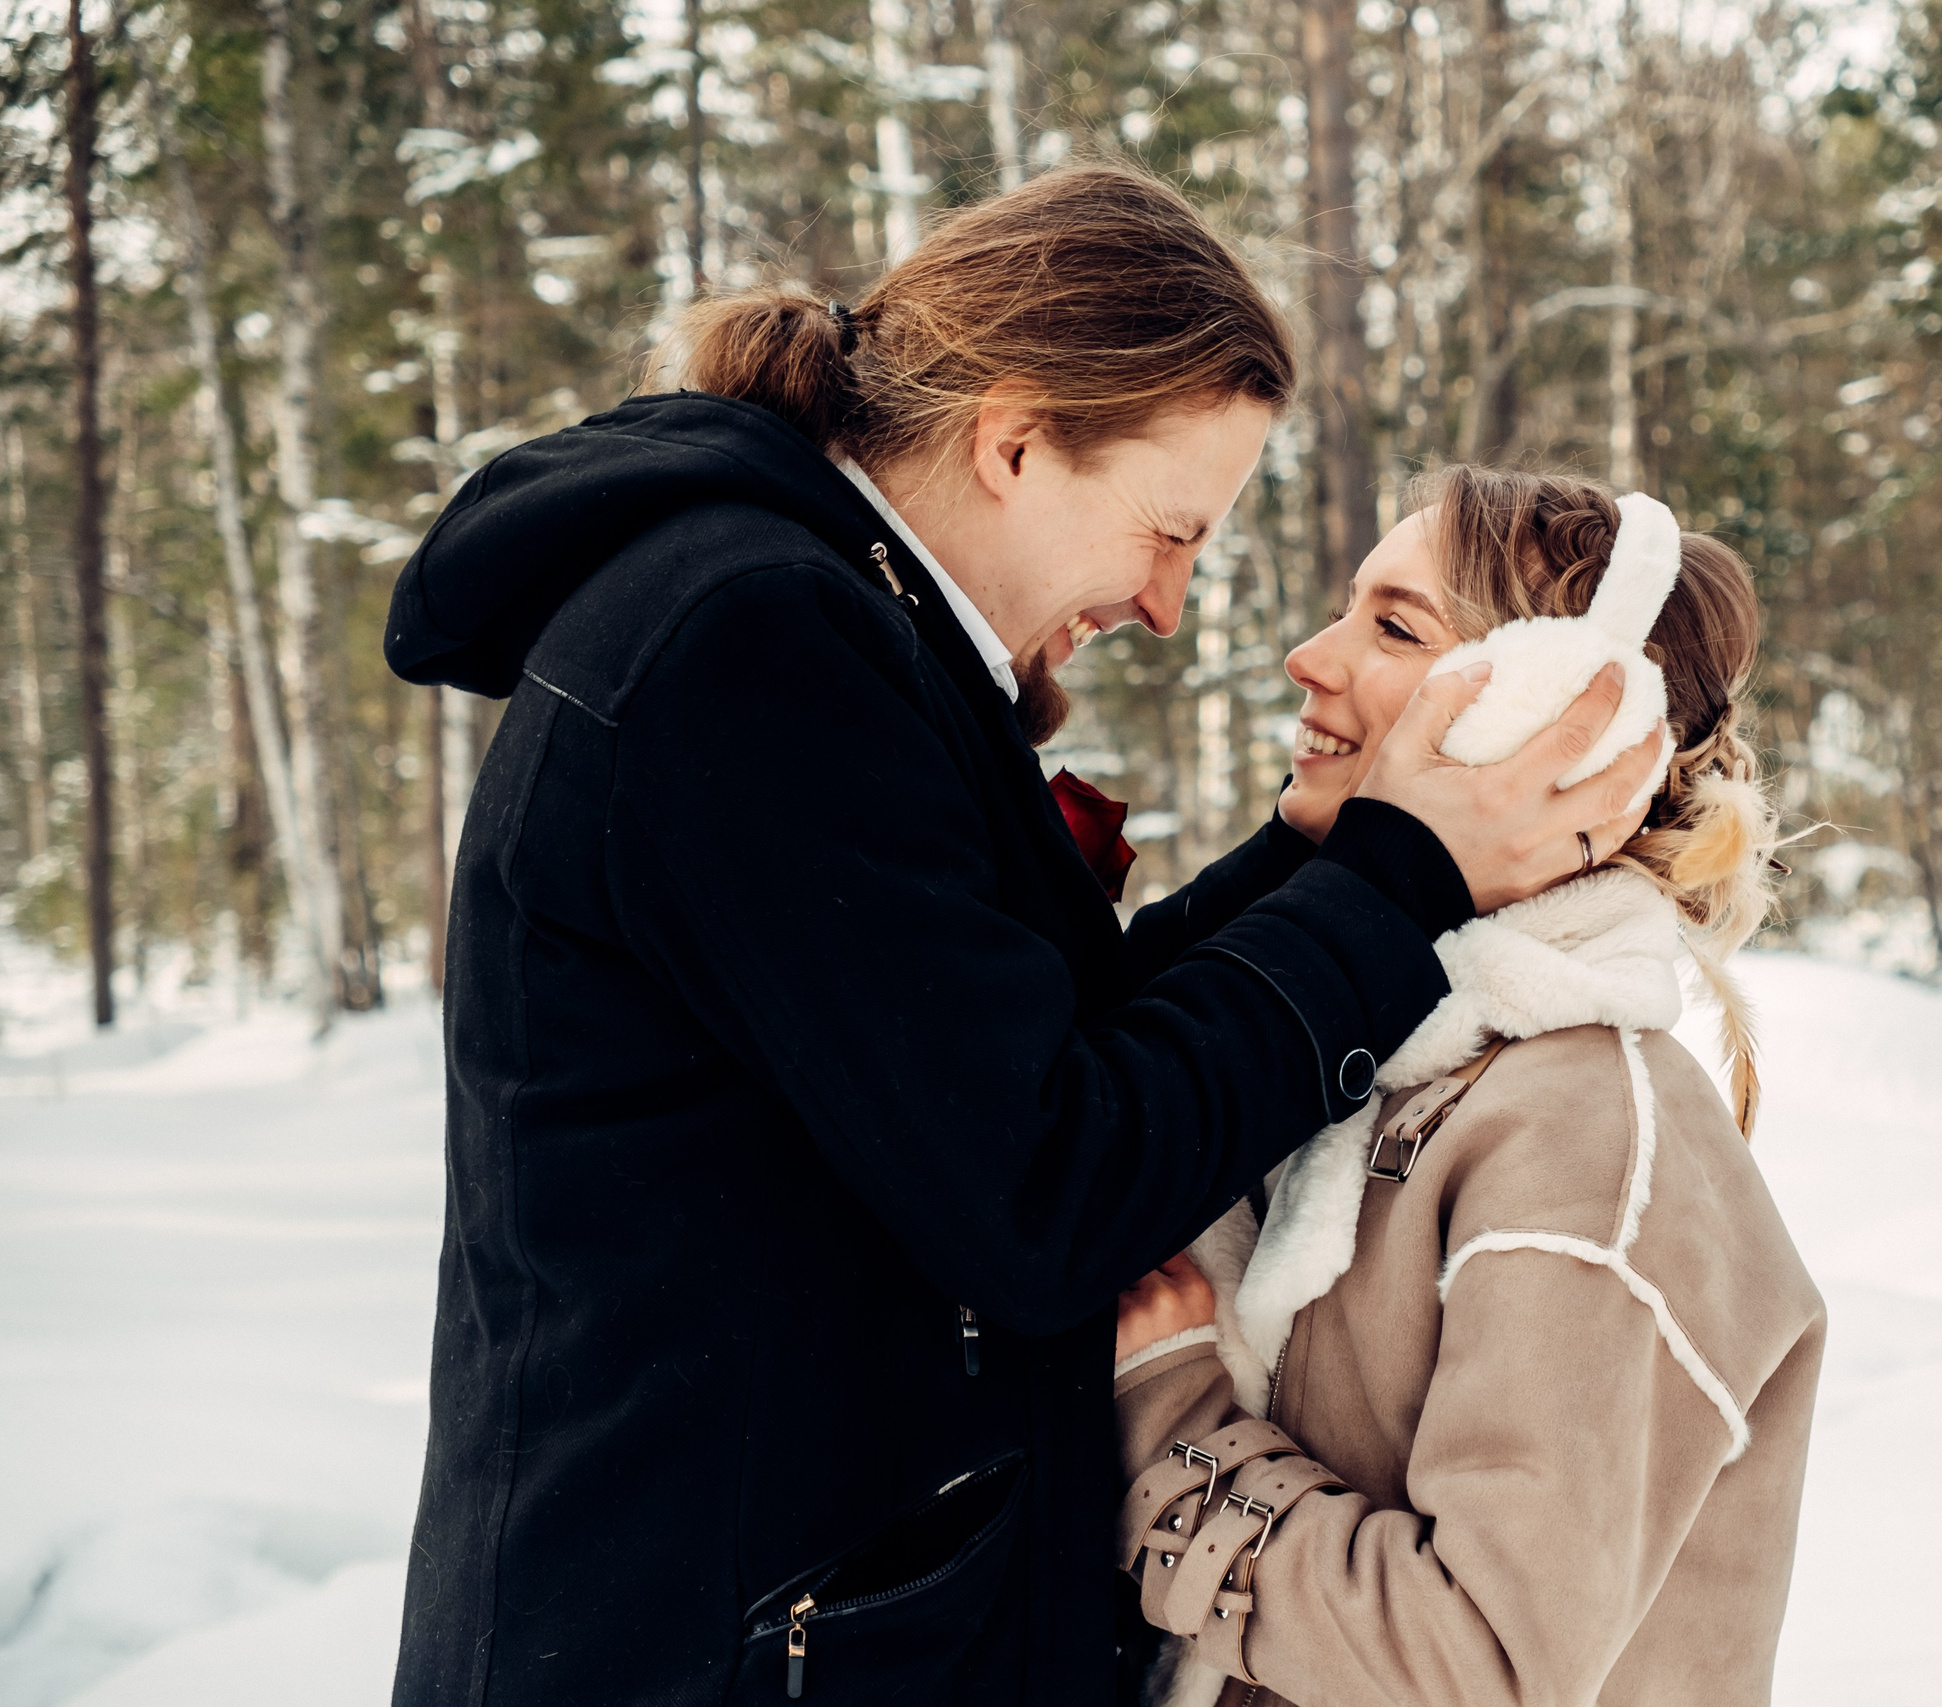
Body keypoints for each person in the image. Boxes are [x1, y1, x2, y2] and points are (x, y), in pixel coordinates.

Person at [380, 167, 1664, 1707]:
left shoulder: (822, 622)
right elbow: (1043, 1178)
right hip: (712, 1648)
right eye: (1167, 530)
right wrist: (1395, 879)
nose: (1172, 604)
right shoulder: (752, 646)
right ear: (1014, 441)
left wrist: (1320, 855)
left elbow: (1011, 1057)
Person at [1110, 468, 1825, 1707]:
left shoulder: (1585, 1131)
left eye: (1393, 627)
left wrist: (1165, 1425)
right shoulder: (1364, 1062)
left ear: (1557, 718)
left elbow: (1478, 1665)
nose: (1307, 659)